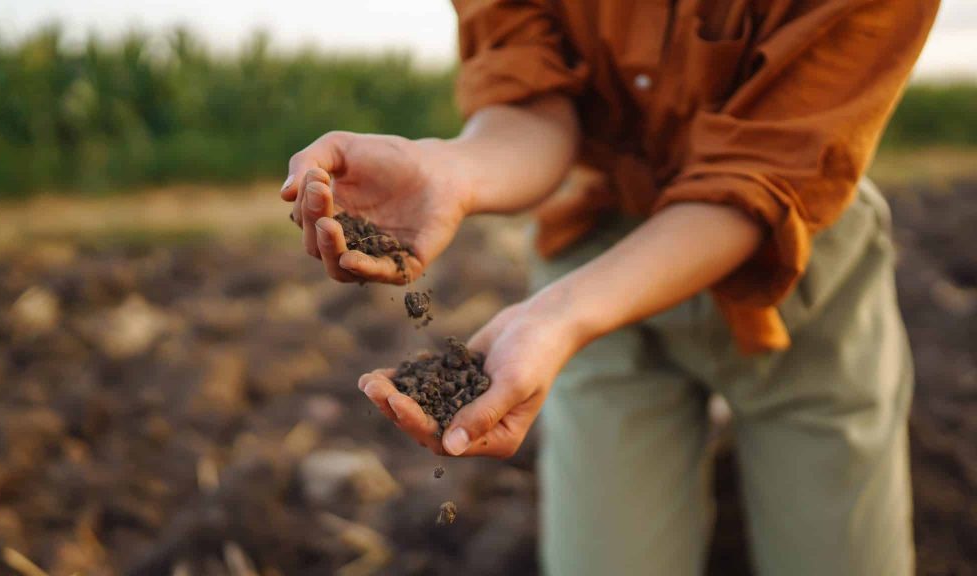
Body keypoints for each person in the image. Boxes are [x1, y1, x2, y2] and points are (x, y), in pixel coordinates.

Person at [281, 1, 938, 574]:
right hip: (597, 256)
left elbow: (762, 178)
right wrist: (448, 168)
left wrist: (560, 312)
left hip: (795, 269)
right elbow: (535, 107)